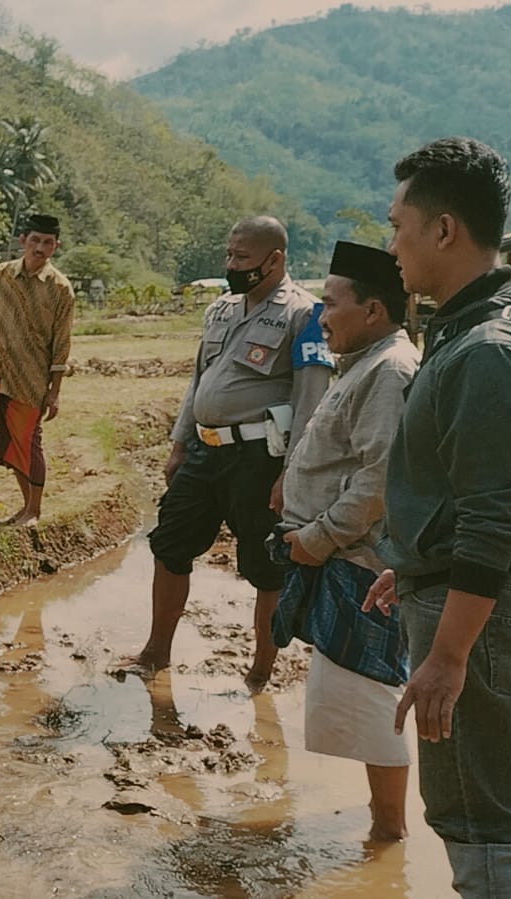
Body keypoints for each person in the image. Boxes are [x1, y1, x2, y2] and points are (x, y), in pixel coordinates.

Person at [364, 137, 511, 897]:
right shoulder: (482, 325)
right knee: (492, 791)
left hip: (477, 608)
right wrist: (407, 558)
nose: (391, 243)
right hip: (463, 593)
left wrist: (445, 654)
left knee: (475, 813)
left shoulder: (487, 347)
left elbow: (496, 510)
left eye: (397, 223)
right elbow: (468, 483)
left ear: (442, 230)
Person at [116, 216, 333, 690]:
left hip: (259, 459)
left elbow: (310, 400)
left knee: (265, 566)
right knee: (170, 544)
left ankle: (260, 671)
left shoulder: (305, 315)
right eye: (228, 255)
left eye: (242, 258)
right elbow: (199, 380)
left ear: (275, 259)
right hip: (204, 450)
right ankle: (156, 652)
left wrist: (289, 475)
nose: (231, 265)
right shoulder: (221, 310)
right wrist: (179, 443)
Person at [275, 241, 418, 843]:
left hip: (358, 563)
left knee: (373, 705)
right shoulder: (362, 360)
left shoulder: (389, 369)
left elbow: (380, 478)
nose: (320, 316)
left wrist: (319, 535)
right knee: (357, 701)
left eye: (331, 304)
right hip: (336, 554)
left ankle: (390, 837)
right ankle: (384, 831)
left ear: (374, 310)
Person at [0, 213, 75, 526]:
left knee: (30, 443)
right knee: (10, 446)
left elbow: (62, 344)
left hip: (34, 382)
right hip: (2, 376)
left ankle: (34, 510)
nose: (40, 247)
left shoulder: (60, 288)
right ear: (22, 241)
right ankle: (25, 506)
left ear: (55, 247)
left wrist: (55, 392)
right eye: (35, 240)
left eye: (47, 242)